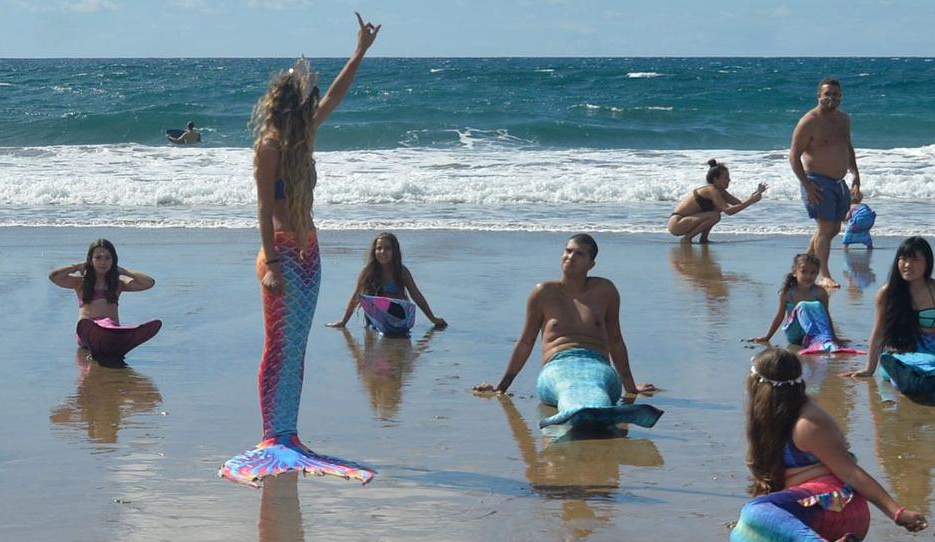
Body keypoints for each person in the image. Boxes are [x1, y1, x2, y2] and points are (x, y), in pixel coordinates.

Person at [220, 15, 382, 484]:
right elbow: (262, 211)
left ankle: (289, 434)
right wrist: (271, 262)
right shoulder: (269, 146)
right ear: (285, 104)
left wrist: (359, 52)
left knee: (298, 347)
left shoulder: (303, 134)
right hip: (282, 254)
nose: (311, 103)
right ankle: (272, 437)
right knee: (278, 345)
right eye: (303, 99)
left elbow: (336, 96)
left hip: (310, 252)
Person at [729, 348, 927, 542]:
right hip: (811, 511)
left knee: (753, 511)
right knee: (740, 535)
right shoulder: (777, 418)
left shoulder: (807, 423)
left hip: (839, 507)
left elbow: (851, 471)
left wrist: (897, 512)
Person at [473, 234, 661, 430]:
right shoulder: (543, 292)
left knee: (595, 383)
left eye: (579, 254)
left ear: (591, 264)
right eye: (568, 251)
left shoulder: (605, 291)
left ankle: (590, 412)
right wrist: (500, 387)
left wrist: (631, 389)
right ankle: (589, 412)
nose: (571, 257)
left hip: (598, 364)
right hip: (556, 366)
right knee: (568, 385)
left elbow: (616, 341)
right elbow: (525, 342)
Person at [788, 78, 859, 288]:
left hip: (839, 182)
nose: (832, 98)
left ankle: (803, 263)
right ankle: (823, 274)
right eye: (827, 94)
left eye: (836, 94)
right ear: (819, 95)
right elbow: (794, 156)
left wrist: (856, 175)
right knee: (825, 226)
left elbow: (848, 146)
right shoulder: (809, 121)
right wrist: (807, 185)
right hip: (817, 181)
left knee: (834, 228)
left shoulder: (844, 119)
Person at [847, 236, 935, 373]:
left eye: (915, 260)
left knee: (930, 363)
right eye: (903, 259)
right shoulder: (886, 293)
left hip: (929, 355)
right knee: (903, 366)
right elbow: (879, 332)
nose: (908, 265)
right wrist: (869, 369)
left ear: (927, 263)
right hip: (897, 354)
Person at [327, 232, 447, 334]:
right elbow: (356, 296)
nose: (383, 252)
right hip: (377, 320)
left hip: (399, 319)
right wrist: (343, 322)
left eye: (387, 248)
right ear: (374, 251)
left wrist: (432, 318)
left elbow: (416, 295)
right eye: (379, 248)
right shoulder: (367, 272)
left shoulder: (401, 271)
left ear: (395, 251)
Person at [749, 252, 852, 354]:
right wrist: (767, 337)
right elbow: (779, 316)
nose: (808, 276)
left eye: (813, 273)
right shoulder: (787, 293)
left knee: (817, 307)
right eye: (804, 271)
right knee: (803, 306)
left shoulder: (820, 293)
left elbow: (825, 316)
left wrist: (833, 337)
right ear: (795, 272)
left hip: (814, 332)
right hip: (794, 334)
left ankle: (819, 340)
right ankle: (814, 340)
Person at [48, 238, 156, 324]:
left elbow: (149, 283)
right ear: (90, 260)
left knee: (108, 323)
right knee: (94, 325)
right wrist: (76, 267)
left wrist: (125, 272)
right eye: (98, 258)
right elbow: (54, 277)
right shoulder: (80, 283)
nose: (103, 262)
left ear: (113, 261)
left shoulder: (118, 284)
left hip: (110, 331)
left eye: (108, 258)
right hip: (87, 331)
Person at [665, 160, 766, 243]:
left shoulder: (721, 191)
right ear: (715, 179)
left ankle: (703, 239)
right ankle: (687, 238)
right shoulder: (711, 190)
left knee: (717, 210)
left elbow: (738, 204)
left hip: (686, 222)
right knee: (715, 215)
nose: (729, 180)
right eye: (726, 178)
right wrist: (751, 201)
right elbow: (729, 211)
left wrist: (754, 195)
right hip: (677, 224)